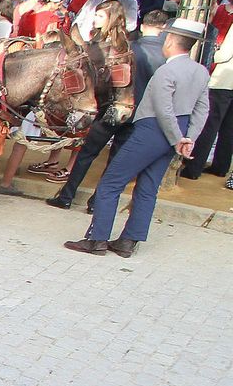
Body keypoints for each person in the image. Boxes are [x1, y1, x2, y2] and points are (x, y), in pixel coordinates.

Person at [67, 19, 210, 257]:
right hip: (179, 129)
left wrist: (178, 139)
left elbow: (163, 110)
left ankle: (97, 238)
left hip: (154, 129)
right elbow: (202, 109)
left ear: (171, 41)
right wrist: (188, 137)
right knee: (148, 187)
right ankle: (128, 241)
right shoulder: (200, 71)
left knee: (111, 182)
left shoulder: (167, 71)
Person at [48, 9, 169, 211]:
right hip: (139, 113)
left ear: (142, 26)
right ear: (163, 28)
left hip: (112, 108)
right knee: (115, 159)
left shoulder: (127, 49)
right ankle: (96, 202)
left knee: (87, 154)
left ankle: (67, 196)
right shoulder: (166, 56)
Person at [180, 24, 233, 185]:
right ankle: (221, 167)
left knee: (209, 126)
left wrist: (213, 53)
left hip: (222, 81)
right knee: (229, 128)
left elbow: (224, 55)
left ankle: (193, 168)